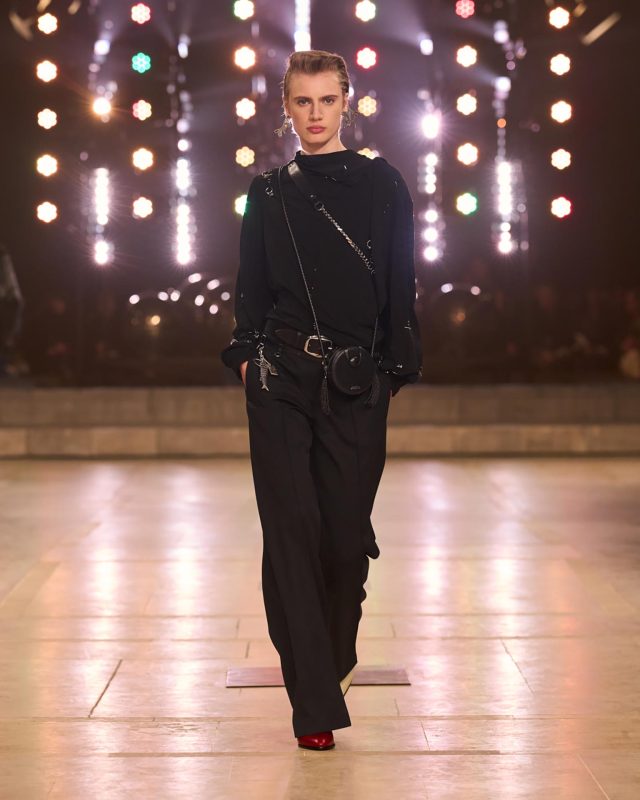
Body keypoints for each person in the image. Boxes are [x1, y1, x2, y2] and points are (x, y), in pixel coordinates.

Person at [220, 49, 422, 751]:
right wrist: (247, 360)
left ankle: (330, 660)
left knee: (343, 540)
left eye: (326, 100)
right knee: (291, 532)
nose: (314, 114)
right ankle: (312, 706)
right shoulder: (268, 193)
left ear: (346, 103)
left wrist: (390, 374)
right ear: (286, 107)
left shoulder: (382, 184)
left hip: (356, 383)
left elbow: (400, 280)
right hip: (280, 379)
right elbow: (249, 289)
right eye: (302, 101)